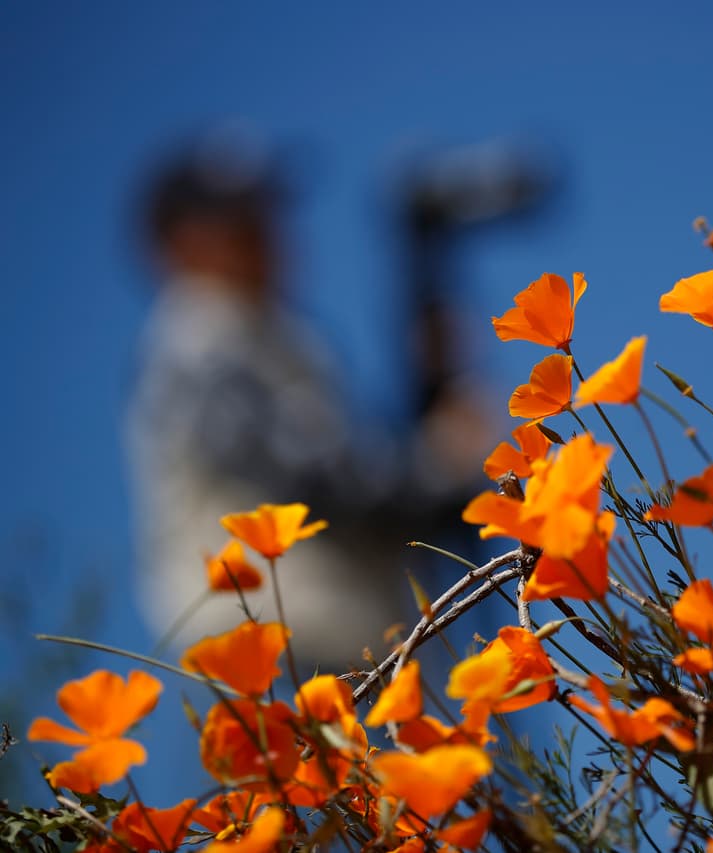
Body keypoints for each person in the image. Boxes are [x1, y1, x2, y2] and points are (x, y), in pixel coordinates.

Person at [126, 136, 507, 669]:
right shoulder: (200, 340)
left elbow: (346, 469)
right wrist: (439, 466)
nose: (266, 235)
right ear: (175, 244)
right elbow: (319, 487)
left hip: (342, 640)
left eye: (266, 214)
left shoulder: (277, 338)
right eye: (237, 222)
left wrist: (430, 409)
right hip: (279, 647)